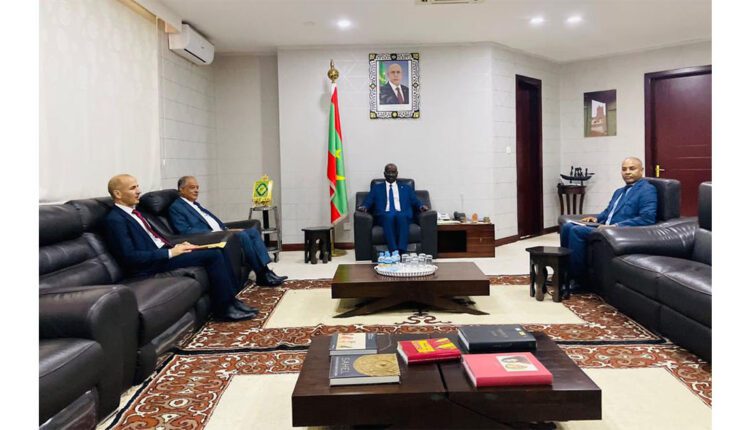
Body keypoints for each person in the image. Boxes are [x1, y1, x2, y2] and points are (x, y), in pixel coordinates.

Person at [104, 174, 257, 321]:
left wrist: (177, 246)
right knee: (213, 255)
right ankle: (224, 309)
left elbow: (156, 240)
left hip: (161, 254)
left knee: (218, 249)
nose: (139, 191)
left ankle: (232, 302)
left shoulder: (135, 213)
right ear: (118, 194)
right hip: (148, 265)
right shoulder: (115, 220)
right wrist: (170, 253)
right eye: (133, 188)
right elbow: (130, 257)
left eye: (138, 186)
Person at [168, 176, 287, 287]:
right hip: (210, 237)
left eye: (197, 187)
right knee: (243, 235)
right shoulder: (176, 207)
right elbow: (185, 231)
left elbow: (210, 221)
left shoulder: (194, 204)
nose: (196, 190)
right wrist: (215, 232)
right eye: (192, 187)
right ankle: (262, 275)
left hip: (221, 232)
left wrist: (227, 229)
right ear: (181, 189)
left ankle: (266, 271)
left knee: (252, 232)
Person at [560, 157, 657, 288]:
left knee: (577, 231)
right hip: (605, 227)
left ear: (641, 170)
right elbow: (608, 212)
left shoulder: (647, 190)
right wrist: (597, 218)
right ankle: (565, 272)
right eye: (624, 169)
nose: (627, 172)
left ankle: (579, 281)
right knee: (567, 227)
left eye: (632, 169)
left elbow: (647, 218)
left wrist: (615, 226)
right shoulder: (619, 191)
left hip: (620, 230)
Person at [357, 163, 429, 254]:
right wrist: (364, 207)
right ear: (384, 174)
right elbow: (369, 200)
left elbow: (415, 200)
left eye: (393, 172)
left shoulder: (406, 188)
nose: (391, 175)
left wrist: (421, 206)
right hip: (384, 214)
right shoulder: (377, 188)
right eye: (388, 172)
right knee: (389, 216)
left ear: (397, 173)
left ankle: (402, 250)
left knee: (402, 216)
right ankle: (394, 250)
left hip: (402, 213)